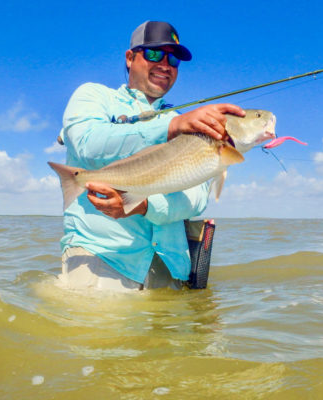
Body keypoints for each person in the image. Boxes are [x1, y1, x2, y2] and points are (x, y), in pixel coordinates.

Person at [57, 21, 244, 291]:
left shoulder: (188, 123)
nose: (165, 64)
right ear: (130, 58)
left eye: (174, 59)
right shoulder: (94, 96)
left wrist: (143, 205)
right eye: (155, 54)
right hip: (103, 260)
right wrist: (169, 127)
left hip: (171, 270)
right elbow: (87, 142)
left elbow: (196, 199)